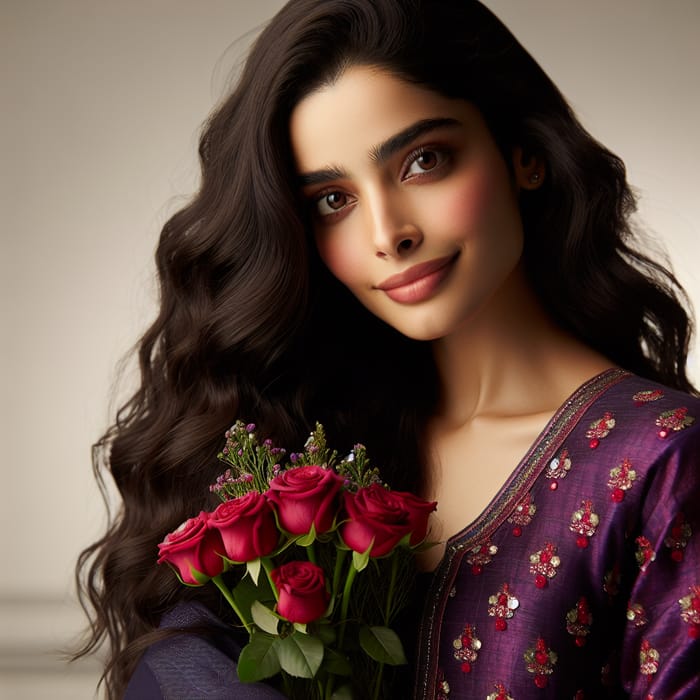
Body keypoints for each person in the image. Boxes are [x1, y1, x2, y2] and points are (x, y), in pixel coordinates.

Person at [75, 0, 700, 698]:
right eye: (333, 200)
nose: (387, 232)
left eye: (423, 161)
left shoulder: (663, 458)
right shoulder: (316, 446)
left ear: (523, 154)